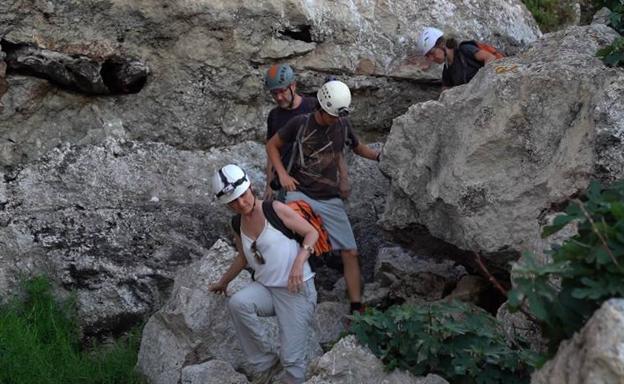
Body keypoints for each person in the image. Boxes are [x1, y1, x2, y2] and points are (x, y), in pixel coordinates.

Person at [266, 80, 381, 314]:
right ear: (320, 107)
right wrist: (282, 175)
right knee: (292, 240)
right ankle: (289, 292)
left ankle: (356, 306)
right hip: (299, 192)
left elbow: (358, 147)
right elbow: (272, 146)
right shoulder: (300, 123)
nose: (334, 119)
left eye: (338, 116)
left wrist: (381, 156)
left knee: (351, 251)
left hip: (329, 197)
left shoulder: (342, 124)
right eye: (331, 115)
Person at [209, 164, 319, 384]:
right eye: (233, 202)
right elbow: (242, 257)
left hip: (295, 289)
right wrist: (223, 282)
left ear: (250, 186)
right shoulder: (237, 223)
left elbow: (311, 233)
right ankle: (266, 361)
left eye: (242, 195)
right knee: (238, 303)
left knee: (293, 360)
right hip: (268, 289)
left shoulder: (275, 209)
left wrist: (298, 263)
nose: (240, 204)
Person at [264, 63, 318, 200]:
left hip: (313, 181)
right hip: (287, 182)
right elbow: (272, 151)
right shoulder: (274, 116)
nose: (279, 97)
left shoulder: (313, 107)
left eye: (282, 91)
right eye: (274, 93)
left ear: (293, 86)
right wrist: (269, 184)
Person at [416, 27, 497, 88]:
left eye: (432, 53)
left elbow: (490, 57)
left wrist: (484, 81)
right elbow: (446, 93)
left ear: (442, 45)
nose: (431, 58)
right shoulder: (447, 71)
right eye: (428, 56)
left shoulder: (465, 49)